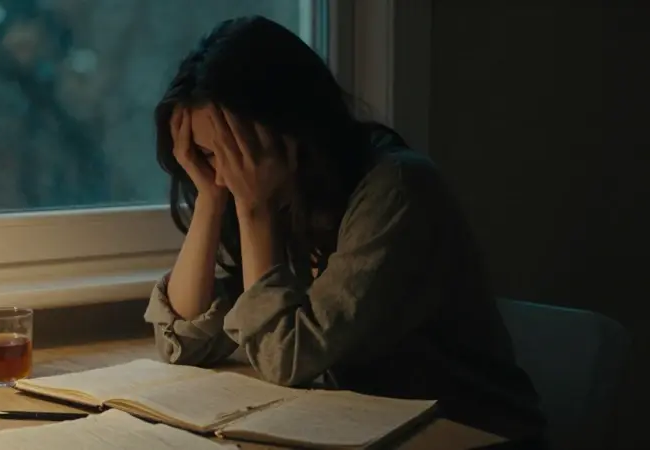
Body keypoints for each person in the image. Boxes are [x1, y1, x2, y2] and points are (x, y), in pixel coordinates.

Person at [144, 15, 546, 441]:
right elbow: (185, 343)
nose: (225, 174)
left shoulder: (397, 189)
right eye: (206, 154)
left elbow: (288, 358)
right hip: (364, 429)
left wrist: (253, 209)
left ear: (291, 129)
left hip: (465, 433)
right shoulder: (273, 199)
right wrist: (210, 198)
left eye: (235, 152)